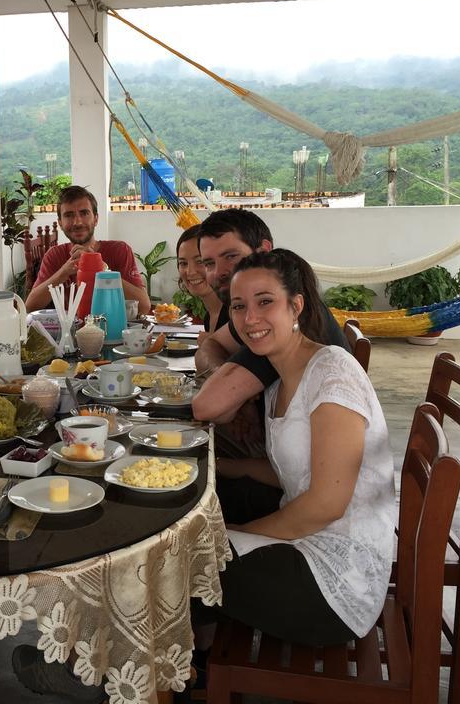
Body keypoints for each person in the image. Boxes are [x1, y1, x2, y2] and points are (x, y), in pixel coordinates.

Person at [204, 249, 395, 647]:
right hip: (306, 542)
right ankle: (187, 661)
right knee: (196, 517)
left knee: (171, 563)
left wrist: (238, 534)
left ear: (296, 306)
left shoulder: (332, 374)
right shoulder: (278, 381)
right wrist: (227, 468)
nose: (250, 318)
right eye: (239, 306)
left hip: (338, 582)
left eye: (265, 302)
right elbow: (296, 471)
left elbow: (326, 502)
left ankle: (120, 678)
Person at [191, 209, 348, 455]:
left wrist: (232, 392)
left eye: (230, 256)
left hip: (282, 465)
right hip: (273, 458)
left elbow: (207, 405)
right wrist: (237, 392)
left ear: (263, 251)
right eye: (209, 263)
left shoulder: (281, 323)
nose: (218, 272)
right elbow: (209, 347)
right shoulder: (250, 310)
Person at [24, 185, 152, 314]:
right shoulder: (55, 255)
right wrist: (63, 272)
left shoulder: (119, 250)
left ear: (96, 219)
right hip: (71, 331)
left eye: (84, 213)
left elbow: (144, 307)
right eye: (69, 215)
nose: (77, 222)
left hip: (112, 331)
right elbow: (30, 307)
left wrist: (102, 269)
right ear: (60, 223)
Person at [175, 224, 223, 340]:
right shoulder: (210, 316)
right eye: (183, 263)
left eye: (200, 261)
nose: (190, 272)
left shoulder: (233, 315)